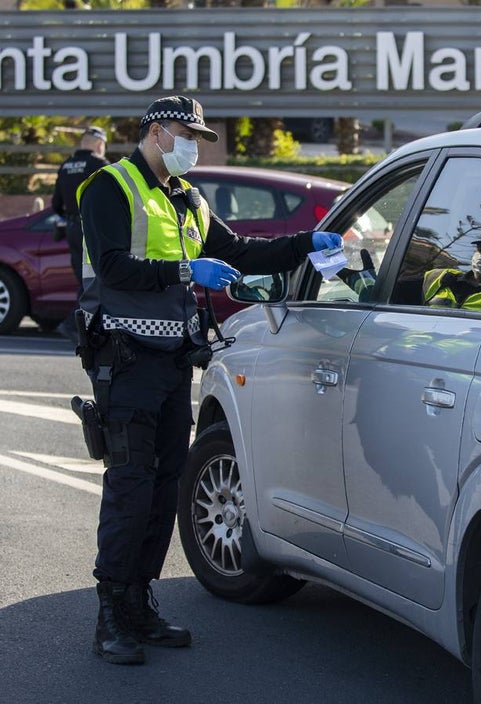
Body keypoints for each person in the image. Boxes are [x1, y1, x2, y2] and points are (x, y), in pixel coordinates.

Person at [74, 95, 342, 666]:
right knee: (129, 486)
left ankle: (140, 604)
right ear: (157, 132)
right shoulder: (108, 187)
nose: (193, 144)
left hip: (171, 362)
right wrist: (184, 270)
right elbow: (114, 264)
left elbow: (241, 250)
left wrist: (306, 243)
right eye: (185, 133)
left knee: (165, 484)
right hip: (123, 363)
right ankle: (110, 614)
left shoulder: (186, 199)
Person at [53, 126, 109, 343]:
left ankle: (84, 326)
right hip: (92, 228)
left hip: (72, 228)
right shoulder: (99, 165)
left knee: (84, 280)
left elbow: (56, 204)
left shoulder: (65, 166)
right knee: (95, 280)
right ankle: (73, 325)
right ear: (99, 144)